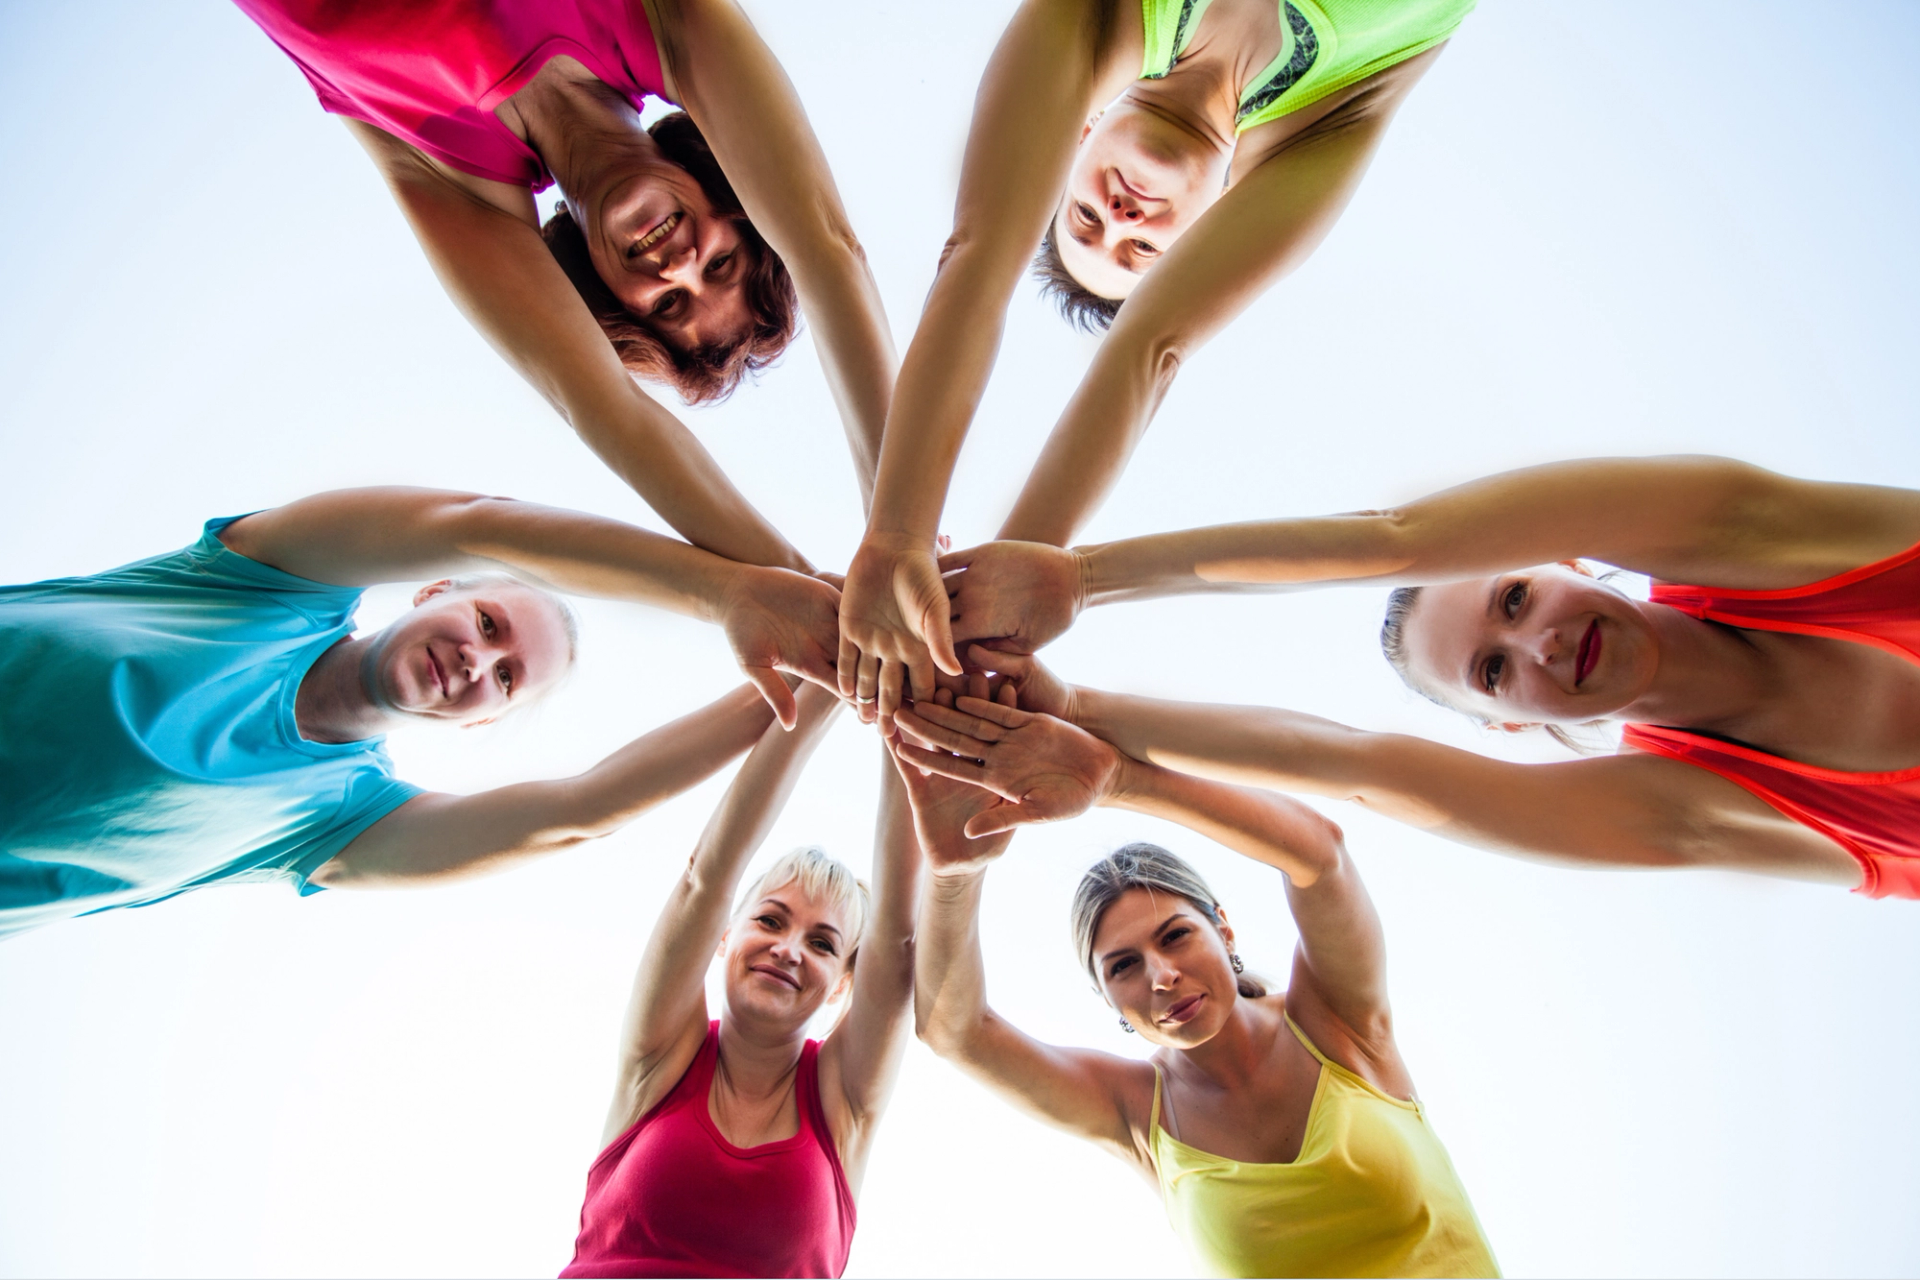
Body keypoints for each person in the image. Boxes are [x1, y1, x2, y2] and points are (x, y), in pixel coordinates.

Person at [837, 0, 1473, 720]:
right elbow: (1151, 348)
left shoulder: (1098, 22)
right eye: (1140, 251)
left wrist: (896, 535)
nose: (1120, 219)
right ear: (1211, 231)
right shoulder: (1330, 117)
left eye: (1084, 216)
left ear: (1076, 142)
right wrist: (988, 630)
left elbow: (980, 257)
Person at [923, 455, 1920, 896]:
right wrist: (1083, 712)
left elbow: (1401, 541)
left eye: (1518, 599)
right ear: (1508, 724)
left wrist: (1089, 579)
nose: (1536, 646)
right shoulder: (1693, 804)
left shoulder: (1754, 539)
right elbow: (1364, 765)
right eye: (1494, 670)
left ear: (1564, 558)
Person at [0, 485, 845, 939]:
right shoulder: (259, 587)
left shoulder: (333, 823)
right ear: (435, 587)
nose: (477, 660)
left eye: (506, 679)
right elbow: (481, 525)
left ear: (483, 721)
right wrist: (742, 592)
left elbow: (581, 811)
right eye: (486, 624)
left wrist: (820, 666)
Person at [235, 0, 896, 572]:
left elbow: (607, 410)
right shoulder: (668, 25)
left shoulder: (448, 176)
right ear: (731, 193)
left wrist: (808, 597)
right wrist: (897, 528)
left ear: (610, 301)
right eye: (721, 263)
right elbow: (827, 249)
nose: (680, 267)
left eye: (669, 305)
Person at [894, 682, 1498, 1278]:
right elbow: (954, 1030)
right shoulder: (1137, 1114)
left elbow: (1320, 855)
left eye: (1176, 935)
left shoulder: (1336, 1021)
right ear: (1106, 996)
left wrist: (1122, 780)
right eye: (1123, 966)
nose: (1161, 975)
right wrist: (955, 872)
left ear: (1224, 932)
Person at [561, 683, 918, 1278]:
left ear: (839, 986)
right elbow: (707, 876)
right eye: (770, 919)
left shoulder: (840, 1102)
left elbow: (897, 945)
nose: (788, 949)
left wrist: (898, 692)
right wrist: (828, 682)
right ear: (723, 936)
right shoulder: (663, 1058)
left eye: (823, 943)